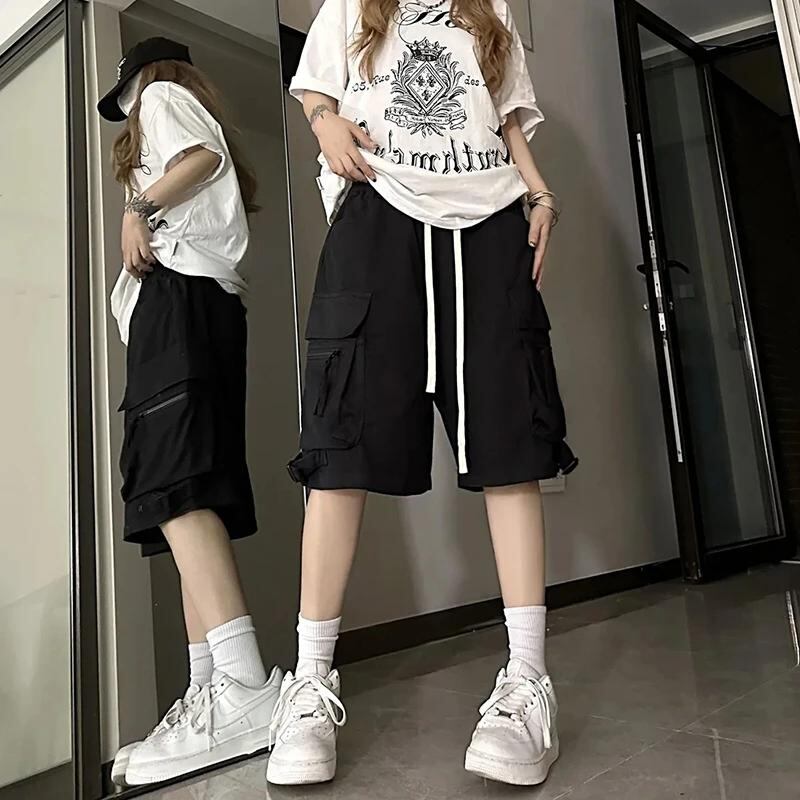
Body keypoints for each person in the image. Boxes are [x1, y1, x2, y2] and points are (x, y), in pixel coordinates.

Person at [269, 0, 577, 788]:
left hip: (490, 220)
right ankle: (309, 684)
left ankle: (527, 682)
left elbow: (507, 120)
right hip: (380, 211)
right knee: (340, 445)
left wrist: (541, 193)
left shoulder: (491, 10)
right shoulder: (353, 4)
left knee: (511, 443)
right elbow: (315, 88)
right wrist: (324, 124)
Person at [97, 37, 282, 787]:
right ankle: (211, 688)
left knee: (176, 484)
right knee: (184, 492)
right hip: (193, 308)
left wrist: (137, 208)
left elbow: (201, 156)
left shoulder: (162, 95)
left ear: (144, 77)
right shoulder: (172, 106)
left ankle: (242, 686)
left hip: (179, 303)